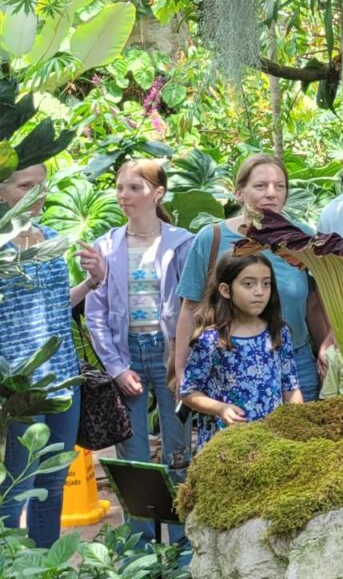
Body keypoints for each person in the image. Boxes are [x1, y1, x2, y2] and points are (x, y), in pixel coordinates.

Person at [81, 159, 195, 542]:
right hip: (126, 354)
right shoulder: (107, 246)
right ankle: (140, 542)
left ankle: (181, 540)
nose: (124, 196)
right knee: (132, 453)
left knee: (179, 449)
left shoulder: (182, 243)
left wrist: (181, 361)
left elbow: (194, 306)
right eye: (120, 188)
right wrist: (115, 367)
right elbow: (95, 312)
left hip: (170, 356)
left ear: (157, 193)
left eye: (134, 188)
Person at [173, 155, 328, 401]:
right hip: (229, 367)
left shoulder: (303, 238)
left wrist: (325, 350)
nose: (271, 193)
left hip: (296, 366)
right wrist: (181, 372)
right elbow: (189, 306)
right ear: (239, 192)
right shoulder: (211, 238)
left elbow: (313, 304)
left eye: (279, 186)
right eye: (260, 186)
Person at [0, 164, 96, 547]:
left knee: (52, 482)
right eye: (25, 186)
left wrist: (91, 282)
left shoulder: (53, 239)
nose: (36, 194)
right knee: (14, 484)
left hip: (62, 378)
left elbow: (57, 306)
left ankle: (44, 564)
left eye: (42, 186)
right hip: (17, 385)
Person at [179, 254, 302, 454]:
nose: (259, 292)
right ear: (226, 290)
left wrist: (297, 427)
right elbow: (188, 392)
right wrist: (220, 408)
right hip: (224, 446)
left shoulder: (278, 332)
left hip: (271, 442)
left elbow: (291, 387)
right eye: (248, 284)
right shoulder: (212, 339)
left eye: (266, 284)